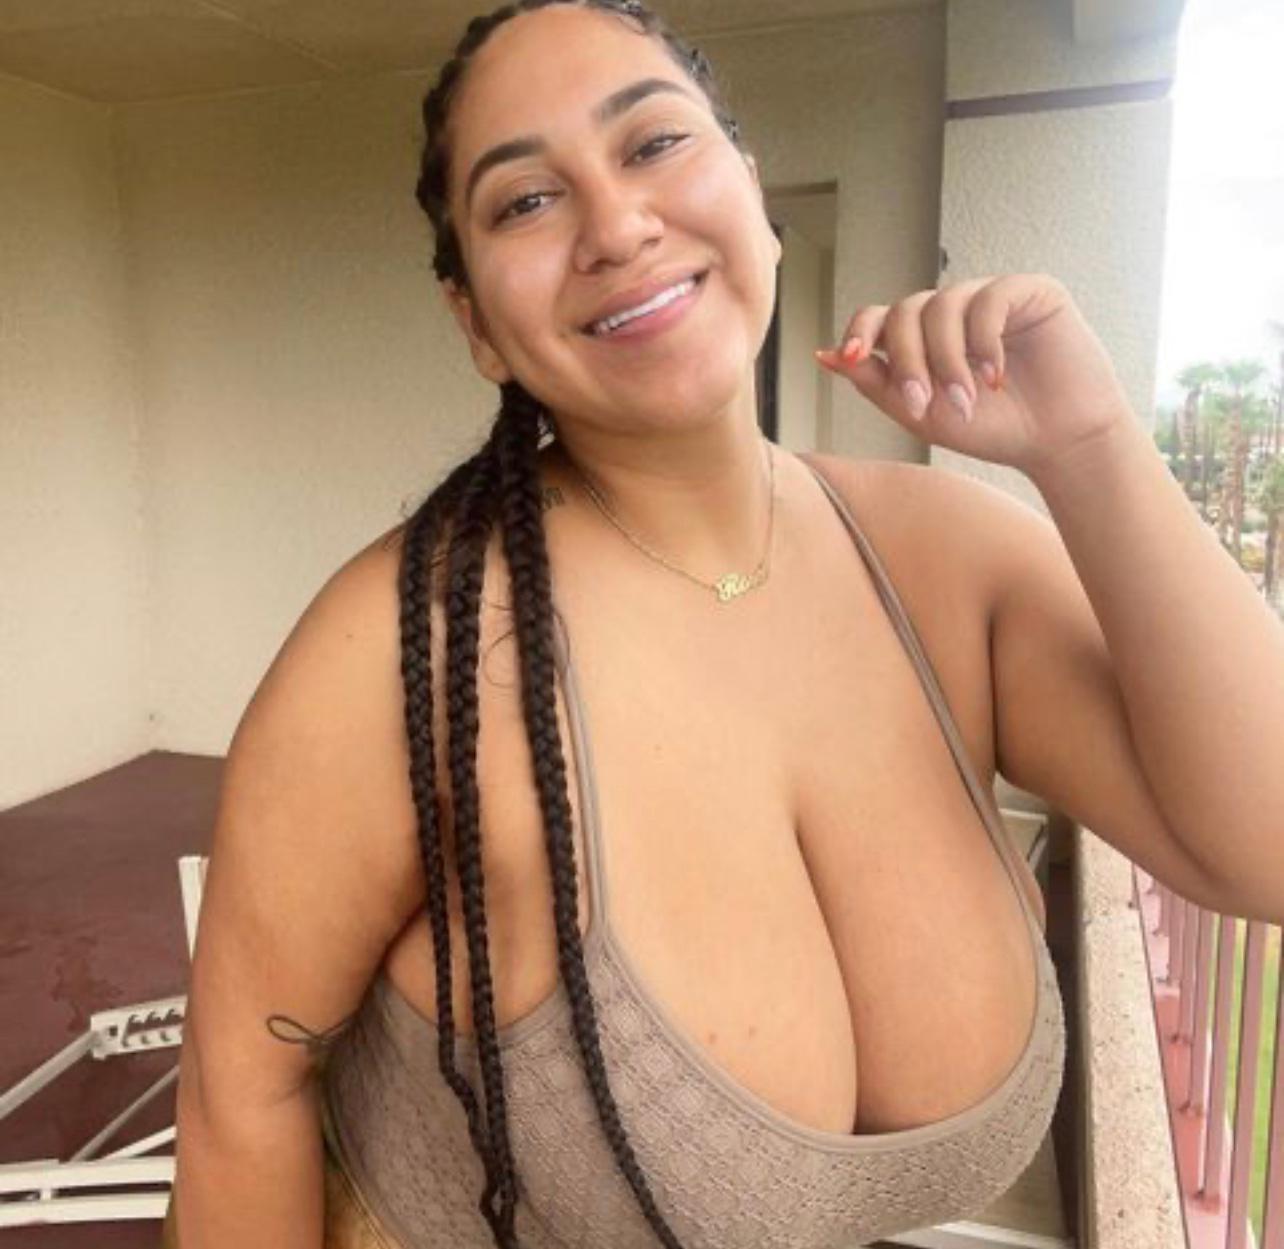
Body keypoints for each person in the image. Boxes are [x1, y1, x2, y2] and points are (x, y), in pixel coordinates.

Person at [164, 1, 1284, 1246]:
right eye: (526, 201)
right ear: (476, 323)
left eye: (653, 144)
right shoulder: (407, 652)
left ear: (749, 189)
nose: (616, 226)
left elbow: (1267, 849)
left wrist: (1090, 445)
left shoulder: (944, 564)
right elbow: (239, 1093)